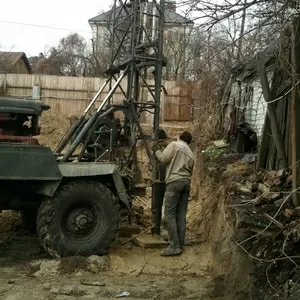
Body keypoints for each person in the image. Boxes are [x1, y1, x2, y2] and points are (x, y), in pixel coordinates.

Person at [153, 131, 194, 256]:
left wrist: (156, 151)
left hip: (174, 183)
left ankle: (174, 246)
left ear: (179, 137)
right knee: (181, 216)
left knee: (169, 215)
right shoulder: (191, 153)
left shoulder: (175, 145)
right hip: (186, 183)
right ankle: (180, 243)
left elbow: (164, 159)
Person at [151, 129, 168, 236]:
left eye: (162, 141)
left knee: (169, 206)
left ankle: (166, 227)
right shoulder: (155, 151)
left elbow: (164, 159)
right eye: (159, 142)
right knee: (156, 206)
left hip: (168, 181)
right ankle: (156, 228)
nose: (161, 144)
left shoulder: (170, 149)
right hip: (158, 182)